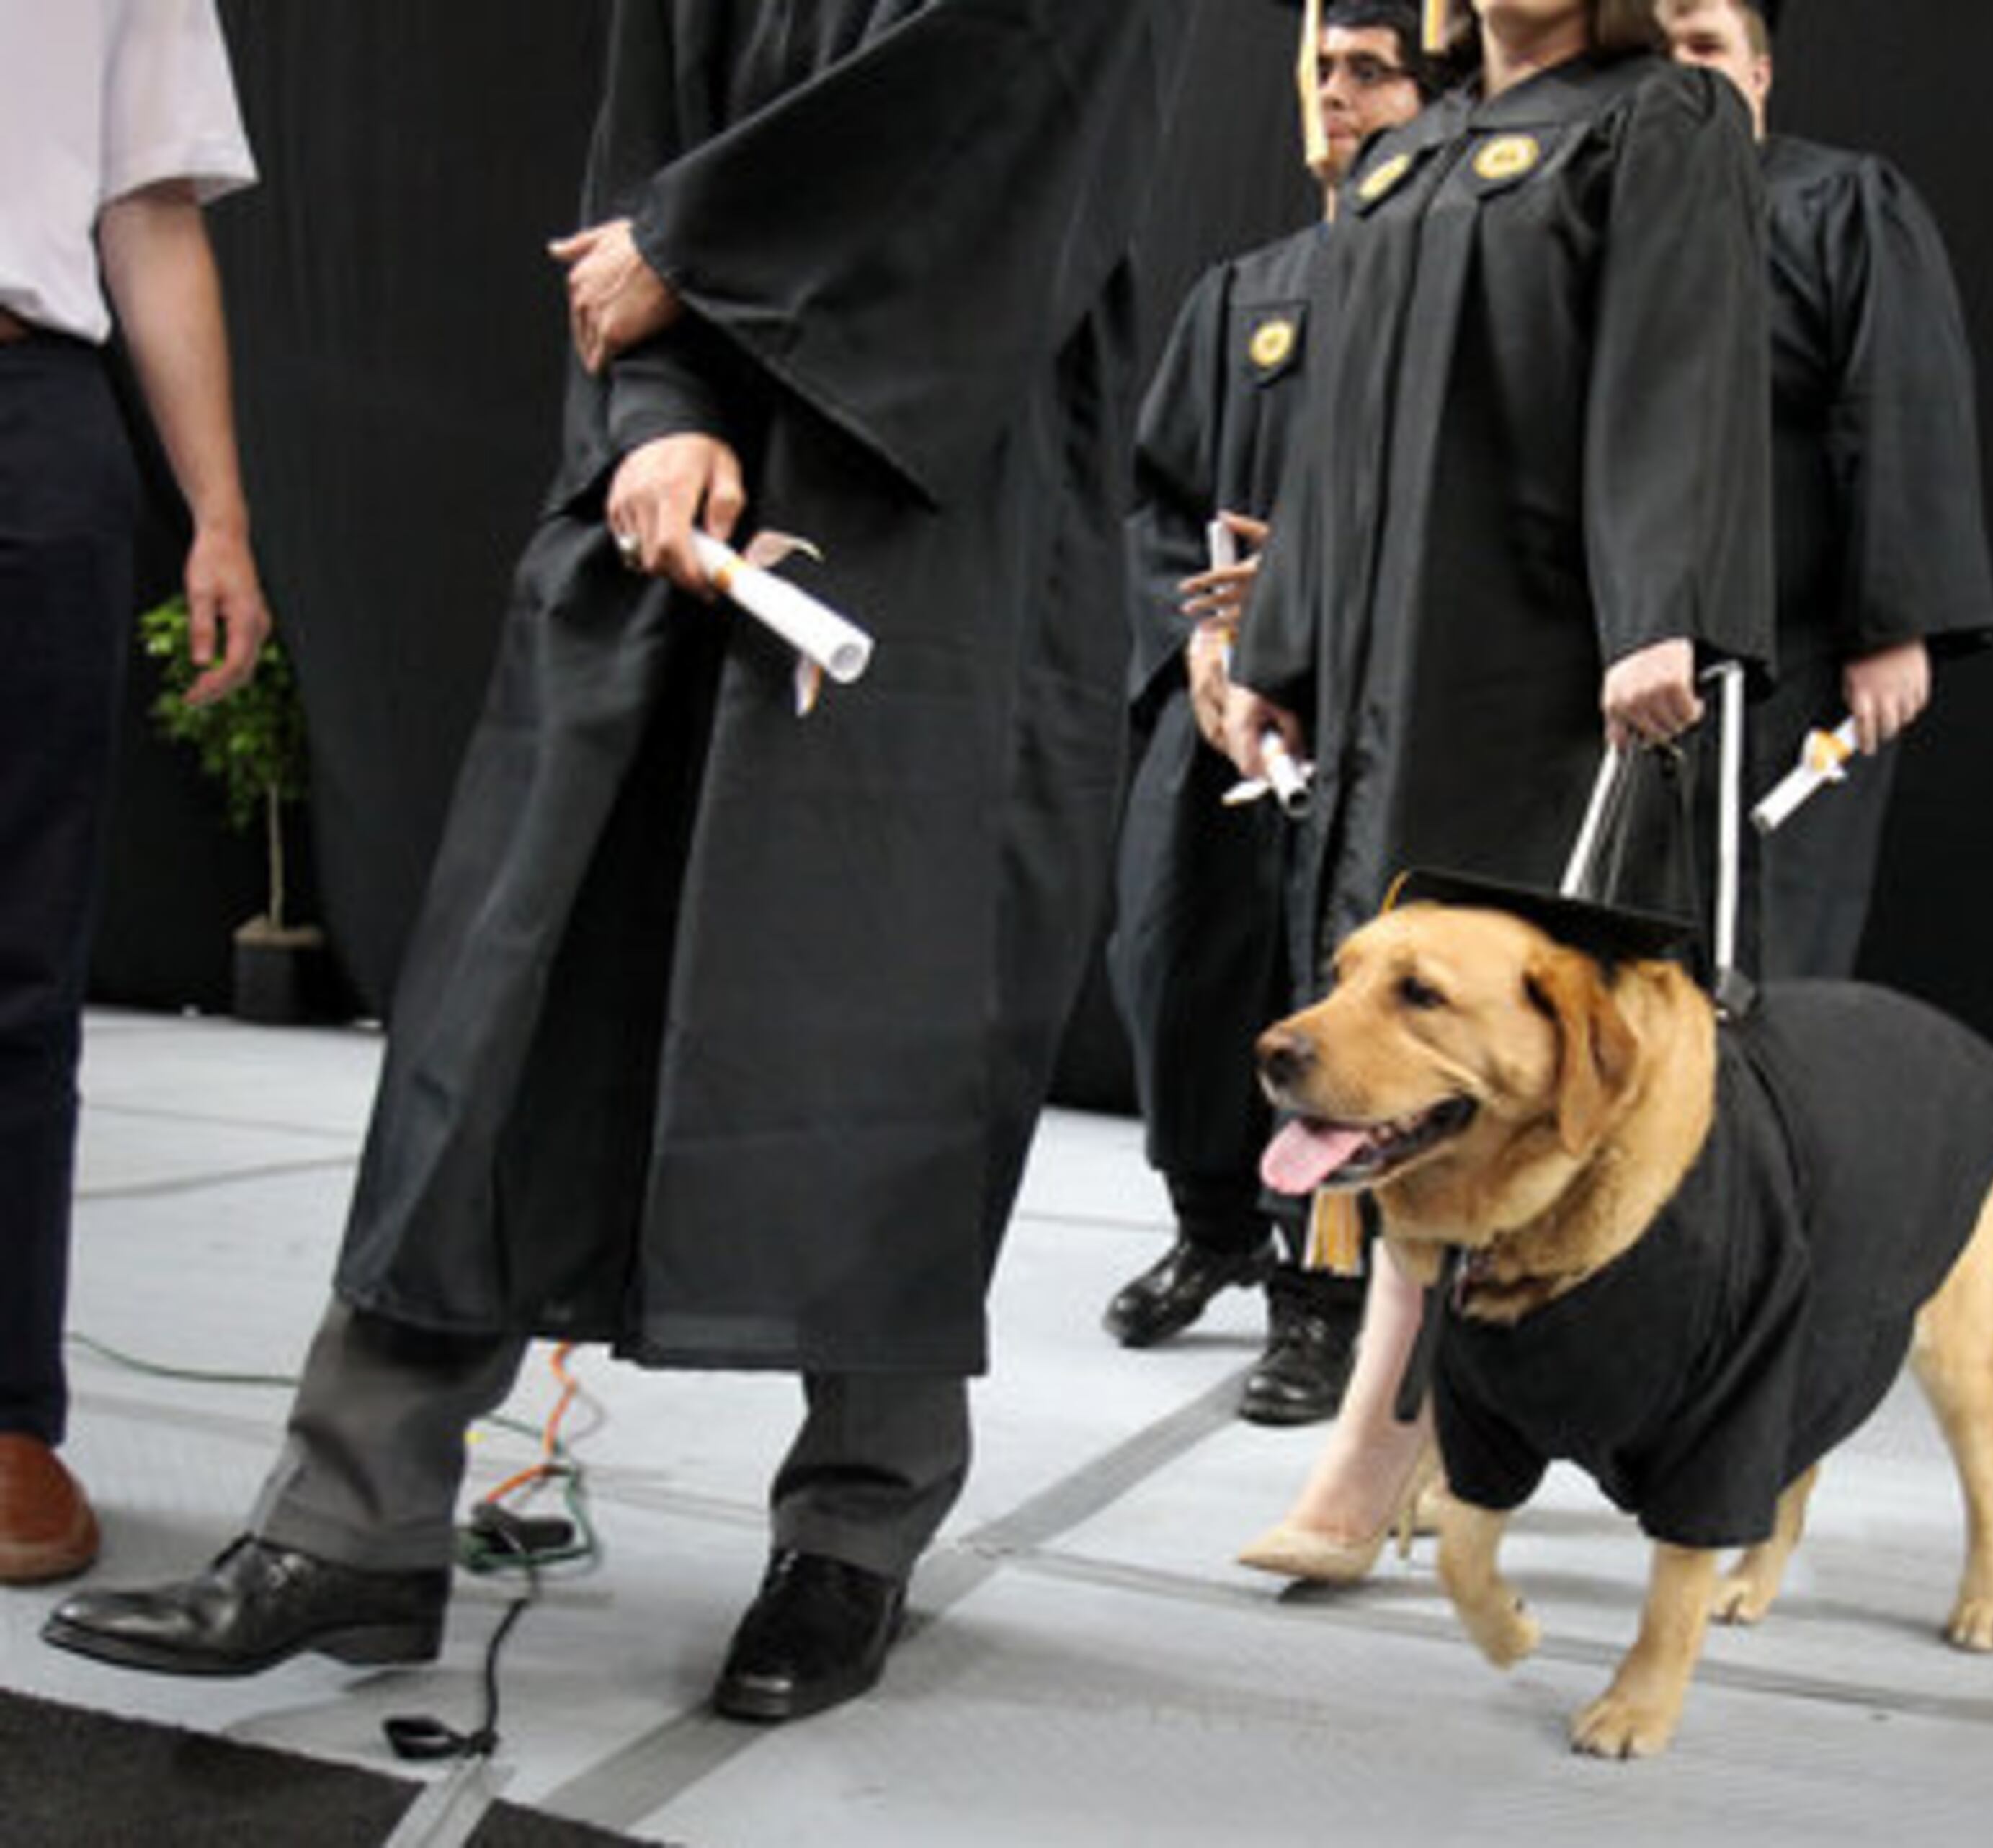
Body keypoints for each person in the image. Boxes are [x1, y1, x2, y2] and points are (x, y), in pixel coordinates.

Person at [47, 0, 1182, 1724]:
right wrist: (654, 407)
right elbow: (623, 203)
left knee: (896, 1033)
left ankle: (854, 1532)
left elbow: (1009, 116)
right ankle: (349, 1517)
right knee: (494, 1014)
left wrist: (696, 253)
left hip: (945, 519)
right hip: (669, 504)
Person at [1224, 0, 1773, 1579]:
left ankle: (1373, 1467)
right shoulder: (1406, 153)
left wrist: (1659, 600)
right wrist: (1283, 635)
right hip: (1392, 666)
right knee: (1393, 1060)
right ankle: (1411, 1449)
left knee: (1520, 1071)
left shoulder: (1657, 118)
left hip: (1544, 660)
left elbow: (1680, 368)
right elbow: (1336, 435)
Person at [1102, 1, 1446, 1428]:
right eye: (1324, 71)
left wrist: (1315, 609)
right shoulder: (1246, 290)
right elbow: (1157, 497)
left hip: (1377, 712)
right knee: (1179, 959)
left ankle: (1321, 1287)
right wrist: (1192, 639)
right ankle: (1214, 1221)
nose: (1340, 96)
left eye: (1373, 72)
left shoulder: (1462, 292)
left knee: (1334, 990)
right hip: (1222, 709)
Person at [0, 0, 274, 1588]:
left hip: (27, 401)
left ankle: (6, 1406)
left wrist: (218, 513)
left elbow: (151, 208)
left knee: (20, 957)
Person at [1654, 0, 1993, 979]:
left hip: (1791, 663)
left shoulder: (1839, 203)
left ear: (1759, 74)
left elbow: (1898, 397)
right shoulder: (1612, 217)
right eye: (1662, 51)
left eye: (1708, 48)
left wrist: (1894, 622)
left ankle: (1756, 1139)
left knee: (1763, 952)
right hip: (1633, 665)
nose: (1684, 72)